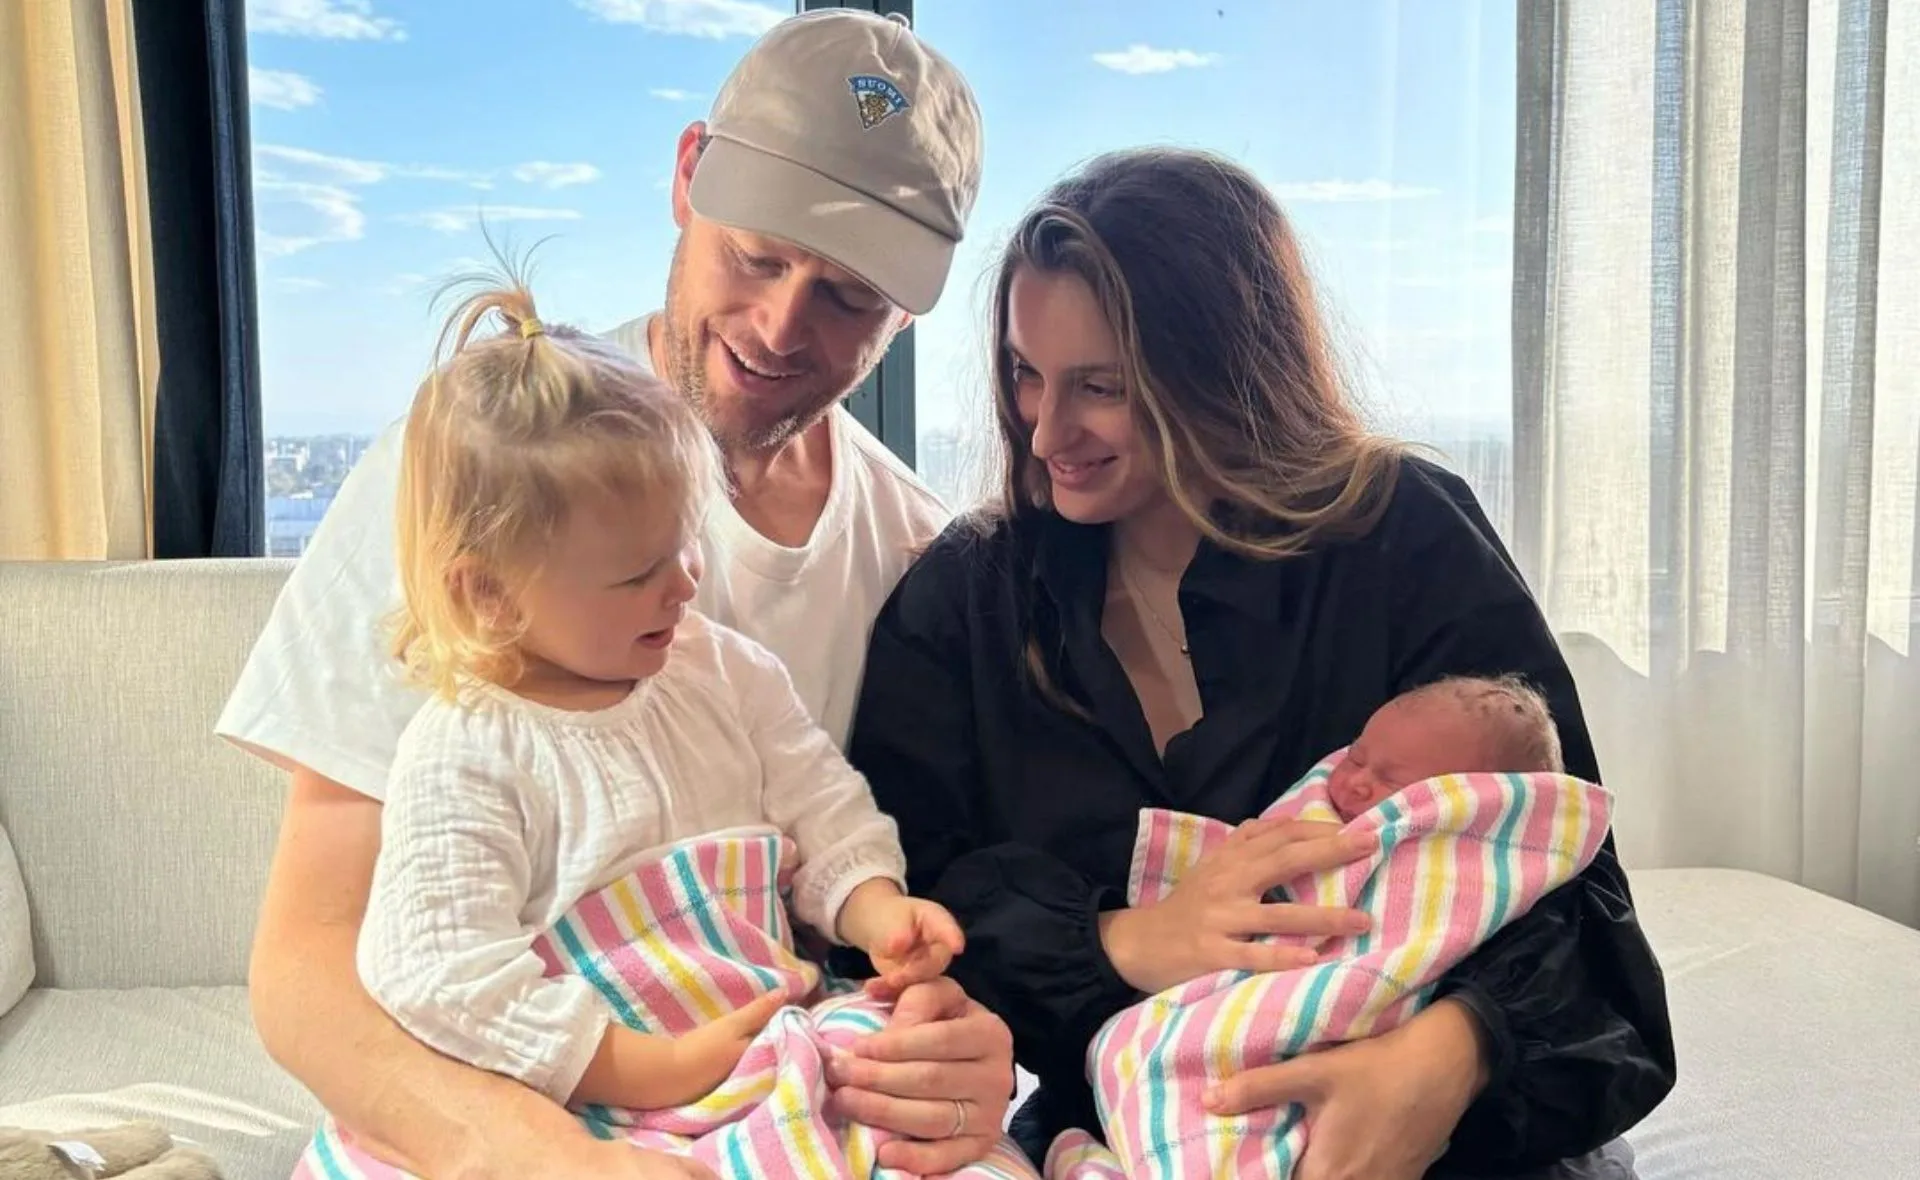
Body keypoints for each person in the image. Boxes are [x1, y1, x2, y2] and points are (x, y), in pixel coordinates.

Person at [218, 11, 1013, 1180]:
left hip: (758, 1081)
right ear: (689, 174)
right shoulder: (477, 472)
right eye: (758, 254)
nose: (782, 324)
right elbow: (308, 968)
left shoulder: (918, 555)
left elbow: (871, 903)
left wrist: (956, 1049)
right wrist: (542, 1152)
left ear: (909, 313)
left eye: (849, 297)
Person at [844, 147, 1677, 1180]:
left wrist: (1446, 1060)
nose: (1046, 429)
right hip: (1131, 1127)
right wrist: (1130, 941)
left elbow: (1575, 902)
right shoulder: (966, 602)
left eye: (1100, 386)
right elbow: (882, 916)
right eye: (1025, 372)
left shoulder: (1402, 535)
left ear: (1221, 370)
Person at [288, 272, 1039, 1180]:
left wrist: (875, 905)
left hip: (755, 1013)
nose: (684, 585)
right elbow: (440, 975)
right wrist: (654, 1067)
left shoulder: (721, 667)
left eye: (688, 543)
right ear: (486, 593)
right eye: (639, 572)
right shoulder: (466, 752)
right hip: (579, 1080)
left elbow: (820, 800)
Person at [1046, 675, 1612, 1179]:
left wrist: (1461, 1043)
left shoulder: (1470, 860)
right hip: (1218, 998)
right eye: (1357, 757)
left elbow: (1455, 936)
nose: (1358, 783)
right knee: (1149, 1058)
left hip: (1371, 1058)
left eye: (1393, 780)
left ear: (1470, 804)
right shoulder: (1315, 814)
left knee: (1223, 1113)